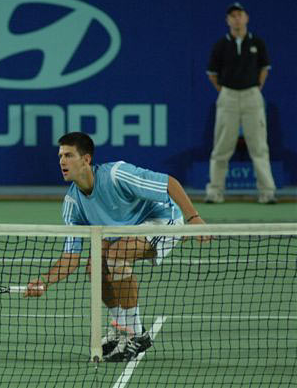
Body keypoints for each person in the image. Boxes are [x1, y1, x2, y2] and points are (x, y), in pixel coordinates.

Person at [24, 132, 208, 362]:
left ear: (86, 159)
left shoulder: (116, 174)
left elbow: (169, 183)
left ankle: (137, 334)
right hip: (127, 230)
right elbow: (71, 257)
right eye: (60, 155)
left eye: (69, 155)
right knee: (95, 267)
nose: (62, 161)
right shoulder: (72, 203)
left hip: (162, 218)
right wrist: (44, 281)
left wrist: (194, 219)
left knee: (116, 255)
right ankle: (121, 328)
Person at [205, 2, 277, 204]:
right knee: (221, 147)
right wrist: (225, 91)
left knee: (259, 146)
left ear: (246, 18)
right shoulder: (221, 45)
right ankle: (215, 191)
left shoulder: (258, 43)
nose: (236, 18)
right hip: (228, 97)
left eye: (240, 14)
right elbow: (212, 74)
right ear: (228, 20)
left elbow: (264, 69)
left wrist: (255, 88)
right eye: (232, 16)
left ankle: (267, 192)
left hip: (252, 96)